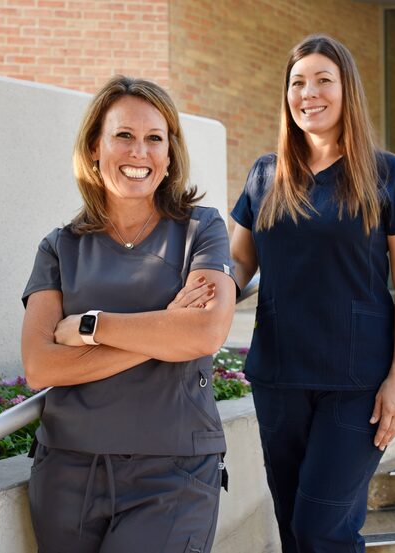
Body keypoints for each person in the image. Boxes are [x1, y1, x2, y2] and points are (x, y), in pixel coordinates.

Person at [229, 34, 395, 552]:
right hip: (279, 376)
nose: (308, 93)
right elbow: (238, 261)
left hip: (358, 381)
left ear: (347, 92)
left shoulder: (388, 174)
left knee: (324, 529)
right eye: (298, 82)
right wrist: (199, 293)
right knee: (294, 529)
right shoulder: (265, 173)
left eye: (323, 80)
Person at [20, 75, 236, 553]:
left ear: (169, 154)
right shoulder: (59, 246)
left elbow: (204, 333)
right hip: (69, 472)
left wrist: (91, 327)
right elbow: (39, 365)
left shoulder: (202, 230)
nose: (140, 152)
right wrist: (162, 332)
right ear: (95, 147)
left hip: (175, 473)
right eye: (124, 136)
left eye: (154, 139)